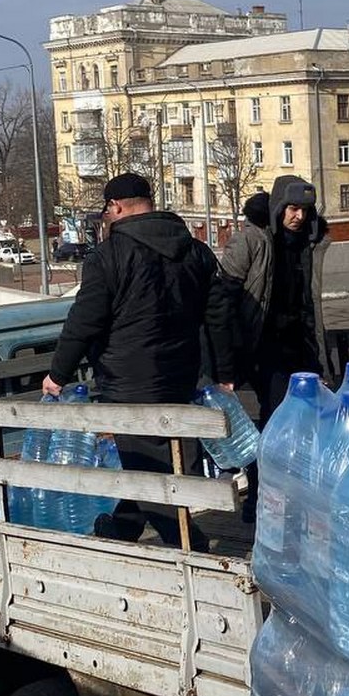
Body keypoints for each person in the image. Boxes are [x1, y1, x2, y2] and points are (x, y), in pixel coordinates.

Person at [42, 172, 236, 549]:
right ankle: (124, 527)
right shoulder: (195, 250)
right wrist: (225, 372)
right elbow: (218, 316)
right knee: (150, 462)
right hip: (181, 375)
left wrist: (57, 373)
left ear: (115, 207)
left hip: (129, 380)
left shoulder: (108, 256)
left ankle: (192, 547)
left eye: (105, 212)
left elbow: (85, 320)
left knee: (146, 469)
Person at [221, 176, 330, 519]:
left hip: (302, 346)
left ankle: (296, 501)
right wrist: (227, 356)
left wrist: (322, 359)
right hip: (263, 348)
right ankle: (259, 501)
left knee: (308, 425)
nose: (298, 216)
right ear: (279, 207)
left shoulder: (310, 244)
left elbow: (311, 303)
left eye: (304, 210)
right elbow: (222, 297)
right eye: (292, 208)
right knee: (273, 426)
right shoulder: (253, 239)